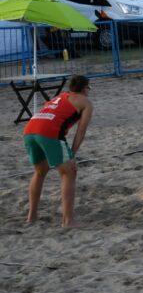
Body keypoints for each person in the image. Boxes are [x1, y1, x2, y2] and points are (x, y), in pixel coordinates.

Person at [24, 74, 94, 227]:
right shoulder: (86, 102)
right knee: (69, 172)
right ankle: (68, 221)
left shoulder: (61, 96)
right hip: (48, 132)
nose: (89, 91)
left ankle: (32, 217)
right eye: (89, 88)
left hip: (30, 130)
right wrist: (72, 155)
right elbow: (81, 131)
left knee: (40, 171)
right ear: (84, 89)